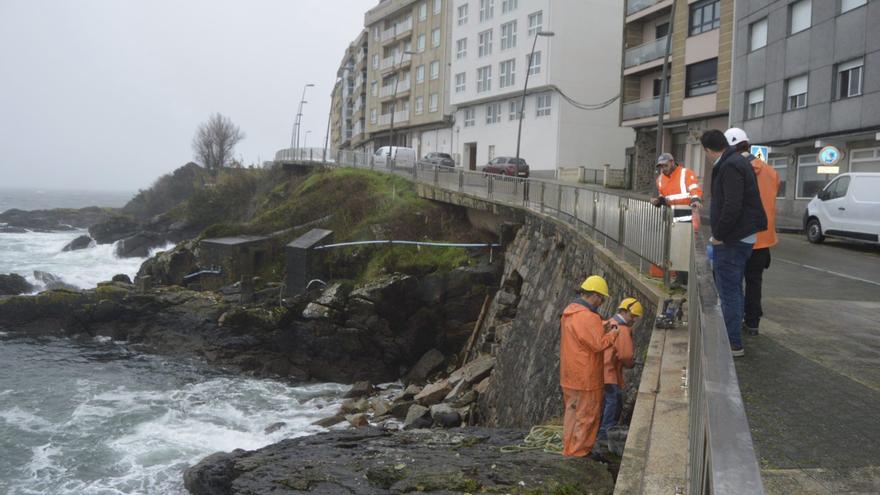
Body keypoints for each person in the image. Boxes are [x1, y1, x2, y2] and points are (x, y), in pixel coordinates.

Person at [701, 130, 767, 357]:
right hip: (743, 236)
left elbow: (732, 205)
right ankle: (733, 337)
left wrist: (718, 234)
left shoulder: (729, 165)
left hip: (733, 239)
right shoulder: (737, 161)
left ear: (708, 150)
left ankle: (732, 342)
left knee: (729, 291)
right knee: (735, 289)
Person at [725, 128, 780, 336]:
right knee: (755, 282)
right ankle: (753, 323)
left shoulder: (733, 169)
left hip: (741, 237)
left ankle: (735, 322)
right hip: (764, 239)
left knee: (734, 282)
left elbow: (732, 204)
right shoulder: (771, 172)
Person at [559, 275, 619, 459]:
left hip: (569, 376)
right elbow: (598, 344)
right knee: (587, 416)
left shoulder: (570, 312)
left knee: (572, 413)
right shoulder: (588, 317)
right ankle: (580, 452)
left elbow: (583, 332)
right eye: (601, 298)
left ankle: (569, 448)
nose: (601, 302)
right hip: (587, 376)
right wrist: (613, 334)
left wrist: (602, 324)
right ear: (594, 295)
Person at [650, 153, 703, 285]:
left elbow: (694, 189)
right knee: (676, 250)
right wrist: (659, 201)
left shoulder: (686, 173)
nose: (664, 168)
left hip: (687, 216)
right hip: (672, 218)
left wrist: (696, 199)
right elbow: (664, 196)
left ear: (673, 162)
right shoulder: (660, 180)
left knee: (686, 250)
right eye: (661, 166)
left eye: (666, 165)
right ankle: (681, 279)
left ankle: (687, 280)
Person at [596, 297, 642, 448]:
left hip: (599, 370)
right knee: (612, 403)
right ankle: (604, 434)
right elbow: (625, 355)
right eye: (633, 316)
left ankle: (599, 431)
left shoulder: (609, 322)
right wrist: (630, 364)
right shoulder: (622, 329)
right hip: (609, 372)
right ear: (625, 311)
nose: (634, 320)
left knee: (605, 403)